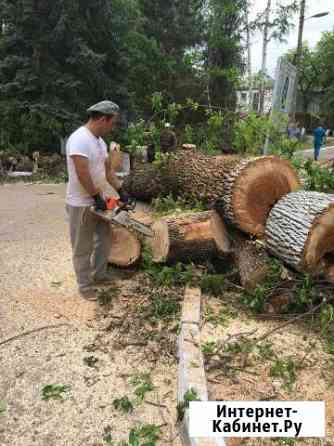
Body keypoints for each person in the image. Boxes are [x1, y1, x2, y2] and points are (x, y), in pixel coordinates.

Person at [65, 100, 129, 300]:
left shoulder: (100, 142)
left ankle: (99, 274)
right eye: (112, 123)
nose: (112, 127)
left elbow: (108, 171)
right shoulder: (79, 139)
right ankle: (85, 286)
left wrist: (122, 191)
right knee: (82, 246)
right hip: (81, 202)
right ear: (103, 119)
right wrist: (94, 196)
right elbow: (82, 173)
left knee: (105, 238)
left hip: (99, 199)